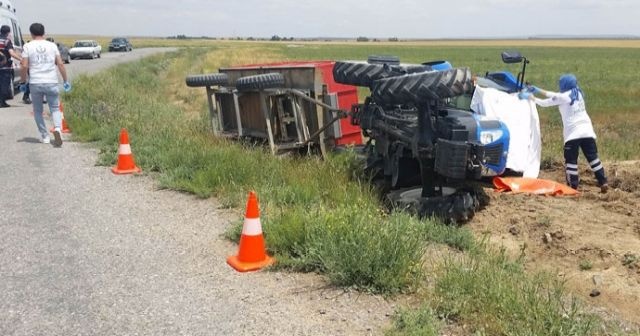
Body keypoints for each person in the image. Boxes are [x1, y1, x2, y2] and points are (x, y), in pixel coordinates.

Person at [525, 74, 608, 193]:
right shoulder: (578, 93)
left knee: (571, 161)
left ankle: (573, 186)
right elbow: (553, 98)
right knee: (593, 158)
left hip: (573, 134)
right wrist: (536, 93)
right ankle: (603, 181)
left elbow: (548, 101)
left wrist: (533, 95)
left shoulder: (564, 97)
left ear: (564, 84)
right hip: (588, 132)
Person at [20, 22, 70, 147]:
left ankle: (45, 136)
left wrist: (22, 81)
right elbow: (60, 64)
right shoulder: (52, 45)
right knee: (54, 108)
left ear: (31, 33)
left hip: (35, 82)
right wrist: (65, 81)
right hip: (51, 81)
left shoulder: (27, 46)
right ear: (44, 32)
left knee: (37, 110)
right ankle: (58, 128)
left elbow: (24, 65)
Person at [0, 25, 23, 107]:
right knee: (4, 84)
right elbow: (11, 53)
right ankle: (2, 102)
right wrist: (20, 59)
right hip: (4, 67)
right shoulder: (7, 41)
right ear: (8, 32)